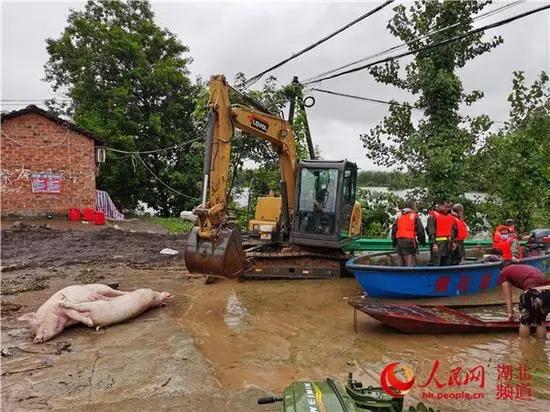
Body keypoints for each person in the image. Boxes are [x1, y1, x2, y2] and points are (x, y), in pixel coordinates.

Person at [499, 263, 550, 339]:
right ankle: (540, 349)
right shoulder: (526, 267)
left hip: (532, 291)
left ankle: (524, 349)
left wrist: (510, 313)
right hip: (548, 291)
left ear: (502, 269)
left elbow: (508, 296)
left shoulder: (504, 271)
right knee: (541, 322)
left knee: (525, 323)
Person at [391, 200, 426, 266]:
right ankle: (410, 274)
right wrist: (422, 242)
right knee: (410, 264)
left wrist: (394, 243)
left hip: (399, 242)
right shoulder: (414, 216)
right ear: (413, 206)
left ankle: (400, 275)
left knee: (401, 263)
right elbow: (420, 230)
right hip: (409, 241)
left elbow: (394, 230)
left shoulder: (399, 216)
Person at [426, 200, 457, 266]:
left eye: (448, 207)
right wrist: (434, 243)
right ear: (439, 206)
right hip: (437, 245)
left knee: (447, 263)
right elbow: (431, 231)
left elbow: (451, 230)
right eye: (445, 207)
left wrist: (453, 242)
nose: (447, 209)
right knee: (436, 263)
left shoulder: (449, 216)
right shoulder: (432, 216)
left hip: (448, 244)